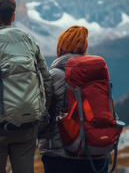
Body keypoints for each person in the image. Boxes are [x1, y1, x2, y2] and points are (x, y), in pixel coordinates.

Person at [0, 0, 52, 173]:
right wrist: (40, 117)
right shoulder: (31, 43)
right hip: (28, 123)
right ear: (14, 16)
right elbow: (47, 82)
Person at [39, 26, 109, 173]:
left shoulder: (54, 75)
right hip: (96, 152)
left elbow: (42, 114)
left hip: (61, 156)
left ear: (61, 47)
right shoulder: (97, 73)